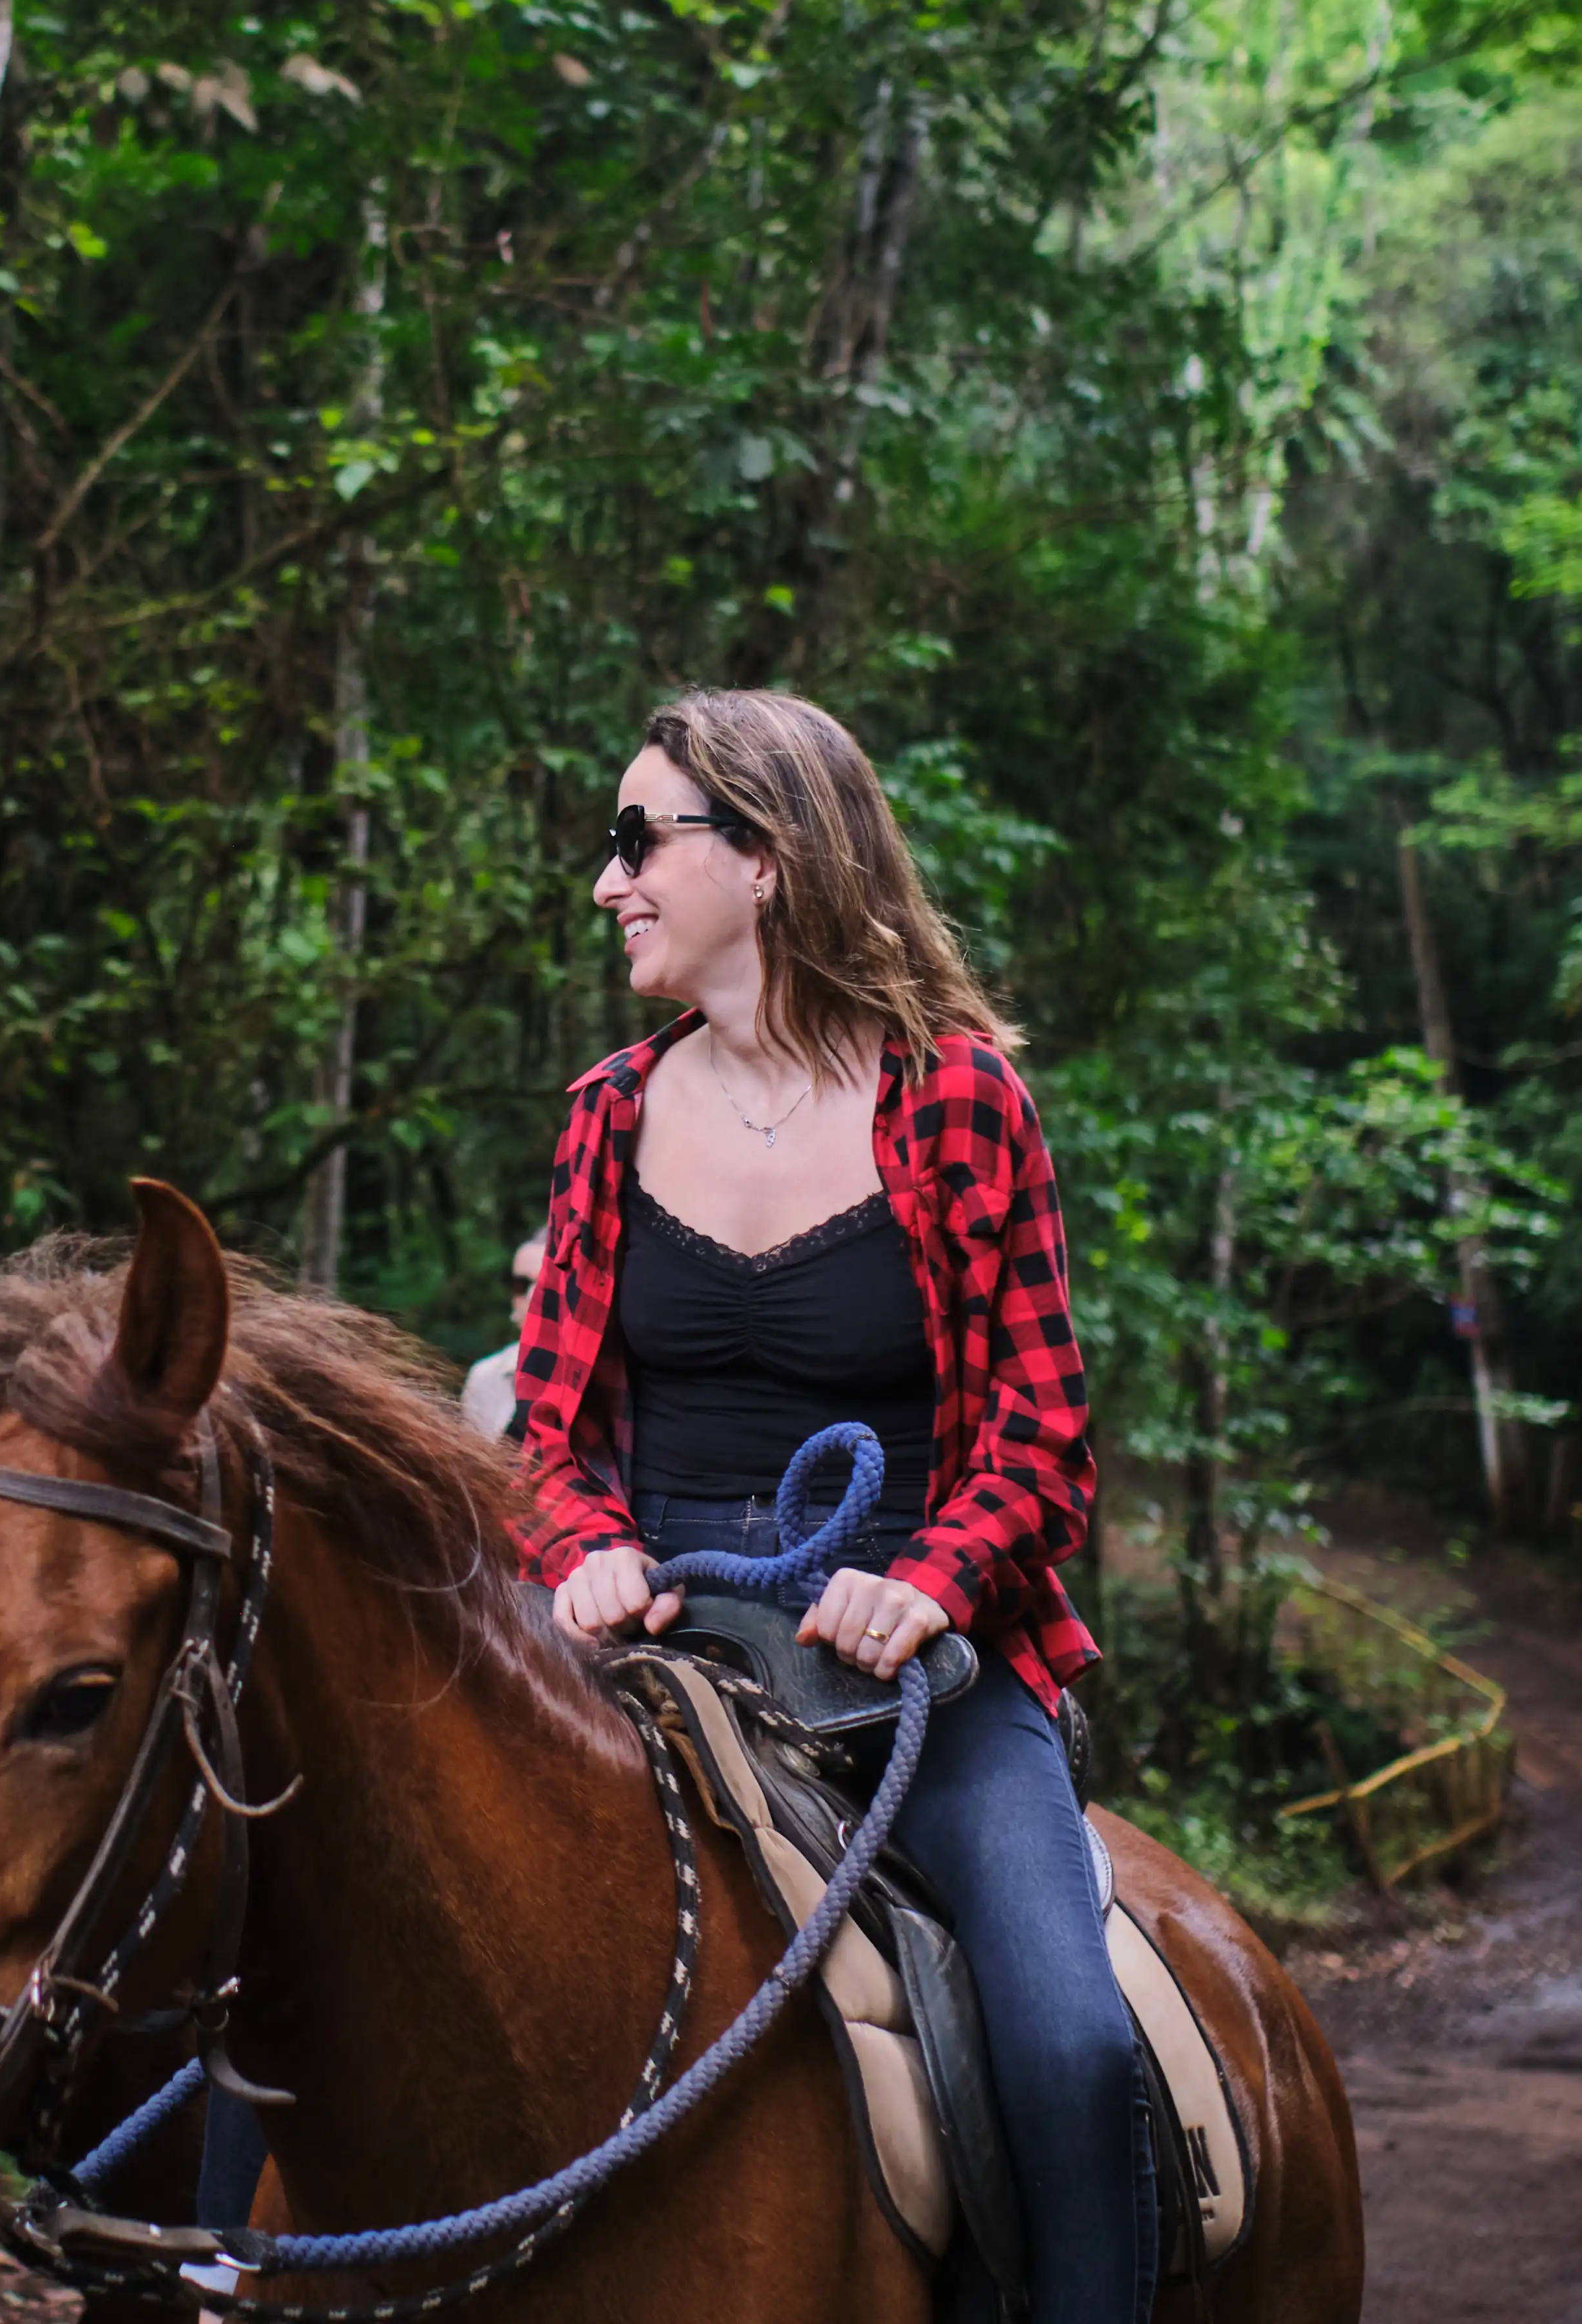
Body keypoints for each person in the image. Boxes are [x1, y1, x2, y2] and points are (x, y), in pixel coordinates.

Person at [515, 688, 1153, 2324]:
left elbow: (1042, 1434)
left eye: (637, 839)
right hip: (646, 1640)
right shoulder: (605, 1117)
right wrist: (582, 1546)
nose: (610, 881)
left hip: (918, 1668)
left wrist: (928, 1579)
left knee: (1075, 2053)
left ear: (771, 857)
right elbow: (547, 1427)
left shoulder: (956, 1105)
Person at [457, 1230, 548, 1435]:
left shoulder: (605, 1373)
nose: (532, 1295)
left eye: (547, 1283)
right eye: (521, 1285)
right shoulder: (486, 1378)